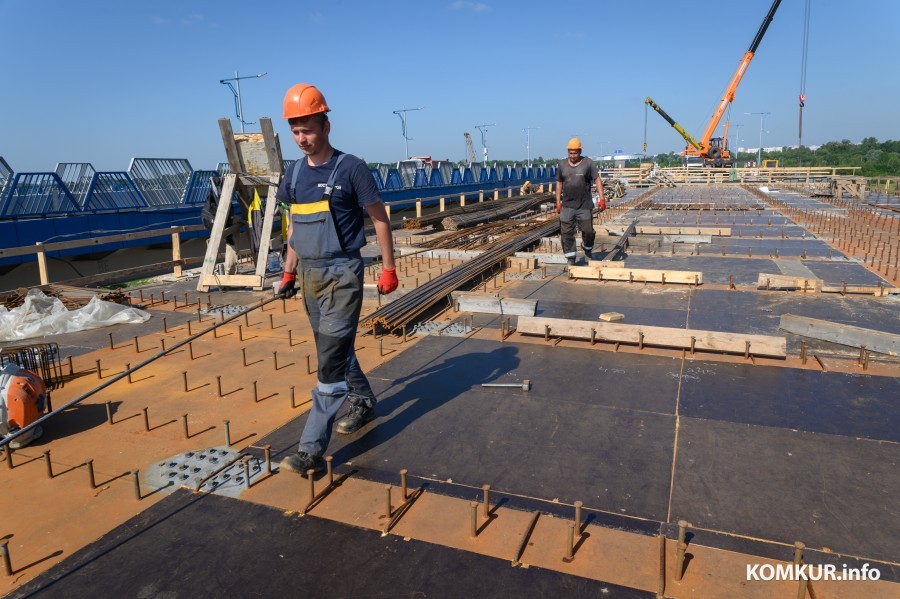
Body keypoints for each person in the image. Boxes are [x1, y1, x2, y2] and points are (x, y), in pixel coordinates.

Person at [275, 84, 398, 476]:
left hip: (343, 272)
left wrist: (389, 268)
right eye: (295, 131)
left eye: (307, 129)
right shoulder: (293, 174)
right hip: (309, 274)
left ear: (326, 124)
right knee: (336, 347)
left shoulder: (351, 168)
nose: (301, 139)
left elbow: (380, 218)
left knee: (328, 361)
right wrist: (290, 270)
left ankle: (310, 451)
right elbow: (294, 226)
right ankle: (362, 400)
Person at [555, 138, 605, 265]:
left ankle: (588, 249)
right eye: (570, 153)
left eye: (575, 153)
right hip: (567, 204)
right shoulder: (562, 165)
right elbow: (559, 183)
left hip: (584, 204)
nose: (572, 156)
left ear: (580, 151)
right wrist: (558, 202)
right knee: (566, 232)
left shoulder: (588, 163)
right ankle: (571, 258)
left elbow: (597, 180)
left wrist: (602, 198)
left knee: (588, 231)